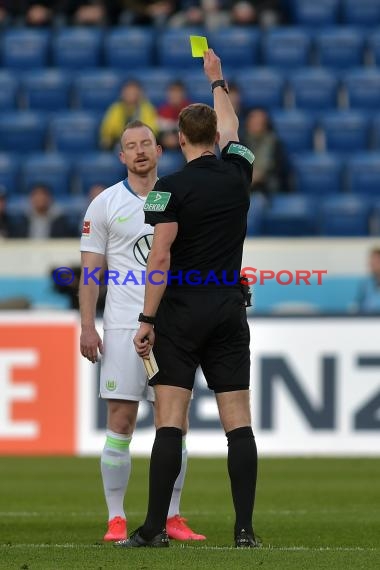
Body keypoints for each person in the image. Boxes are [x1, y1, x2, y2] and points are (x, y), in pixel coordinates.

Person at [120, 49, 259, 549]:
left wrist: (145, 318)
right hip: (226, 306)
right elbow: (233, 128)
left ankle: (155, 527)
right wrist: (217, 79)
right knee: (237, 421)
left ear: (179, 140)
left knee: (170, 421)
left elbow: (159, 261)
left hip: (180, 311)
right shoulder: (239, 171)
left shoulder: (168, 189)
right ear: (215, 139)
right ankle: (243, 531)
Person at [79, 120, 205, 543]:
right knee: (121, 420)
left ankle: (172, 517)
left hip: (173, 325)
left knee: (175, 422)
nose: (139, 151)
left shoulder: (178, 194)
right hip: (119, 325)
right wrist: (87, 326)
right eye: (130, 146)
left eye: (146, 143)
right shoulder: (104, 204)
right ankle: (116, 518)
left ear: (159, 149)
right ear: (121, 156)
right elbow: (91, 273)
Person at [100, 79, 158, 151]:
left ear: (140, 93)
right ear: (122, 93)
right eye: (128, 92)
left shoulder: (147, 108)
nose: (131, 94)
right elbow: (107, 129)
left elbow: (152, 129)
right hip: (120, 142)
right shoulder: (116, 108)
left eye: (134, 92)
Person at [241, 107, 288, 196]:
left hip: (268, 186)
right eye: (254, 120)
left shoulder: (275, 143)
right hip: (244, 184)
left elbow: (281, 168)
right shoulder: (239, 142)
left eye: (260, 121)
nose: (257, 123)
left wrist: (262, 175)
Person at [355, 247, 380, 313]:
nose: (372, 263)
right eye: (371, 260)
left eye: (376, 261)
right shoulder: (365, 284)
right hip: (367, 320)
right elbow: (357, 305)